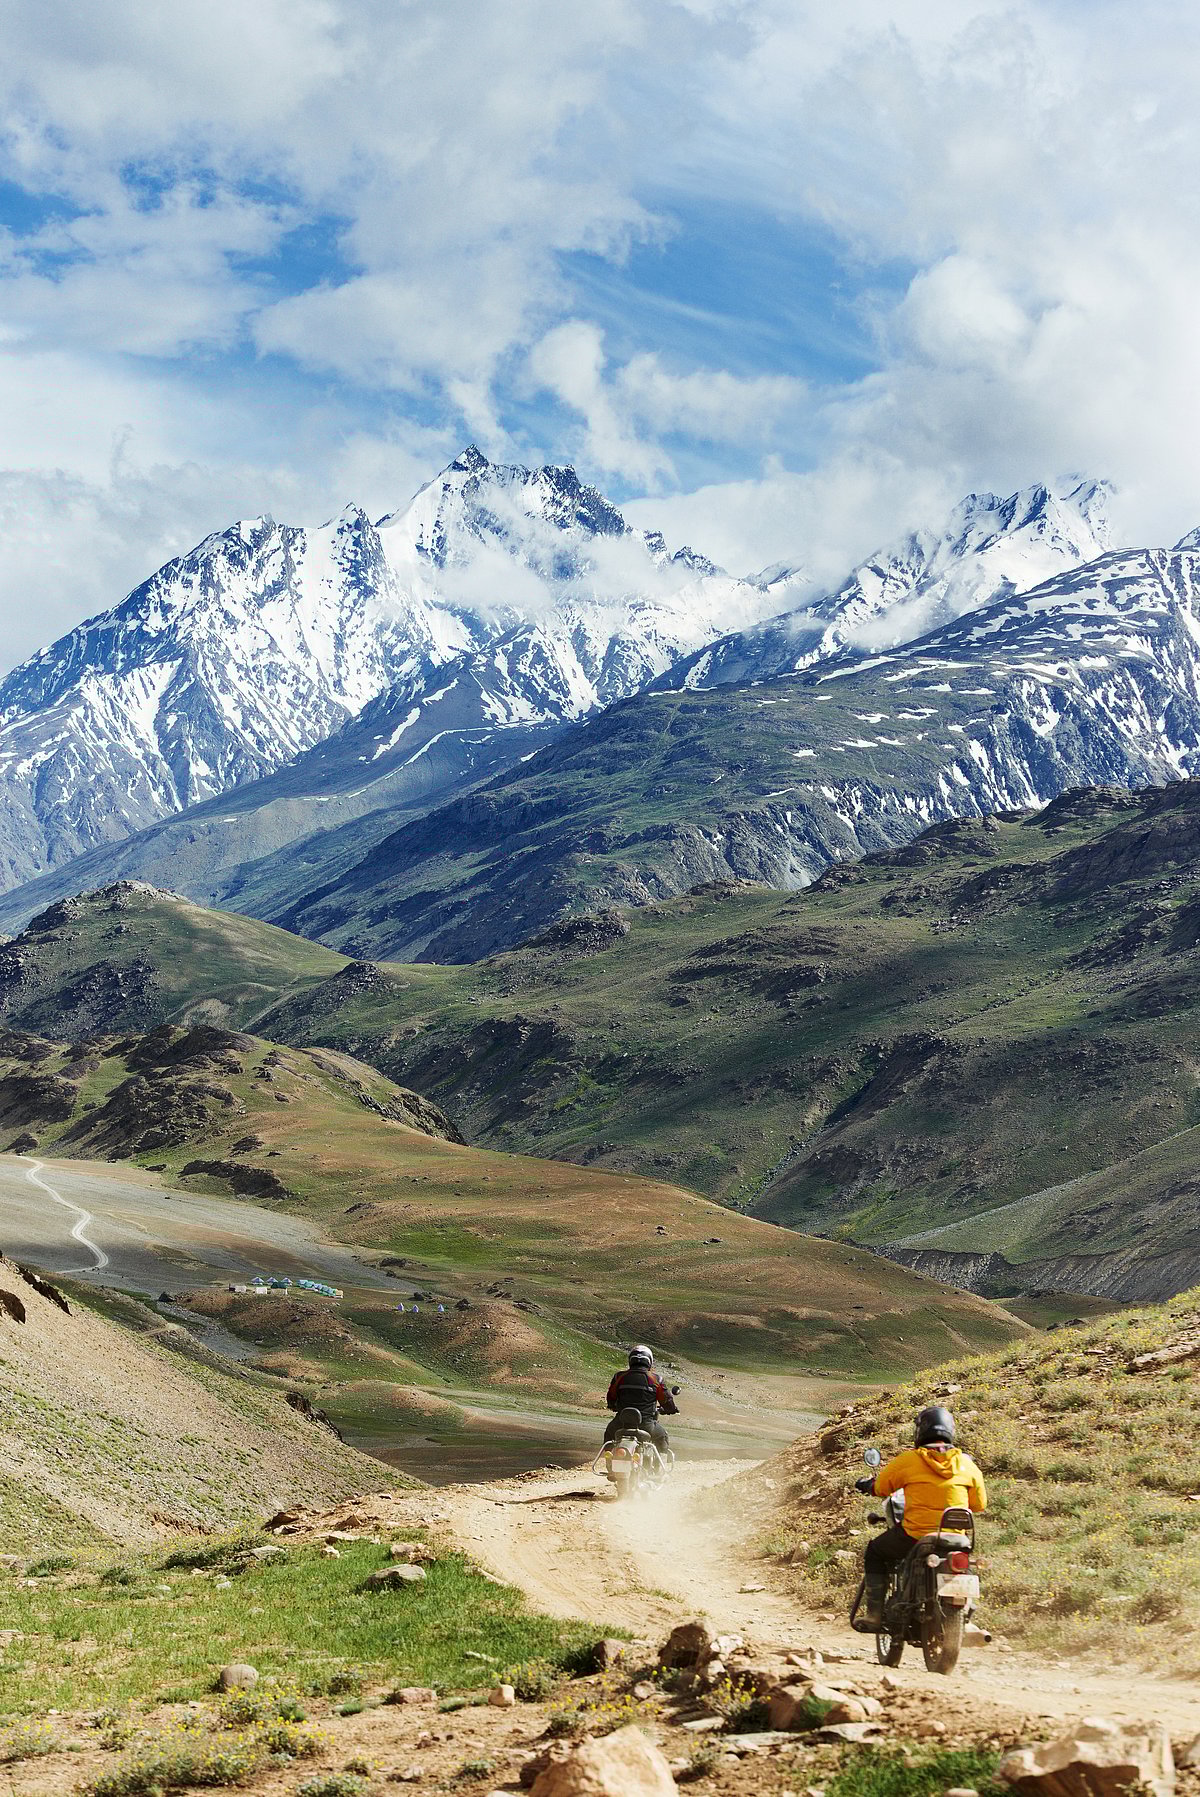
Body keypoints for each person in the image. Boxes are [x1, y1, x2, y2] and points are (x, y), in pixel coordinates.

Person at [853, 1405, 986, 1631]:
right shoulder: (967, 1464)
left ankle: (874, 1614)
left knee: (875, 1551)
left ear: (920, 1432)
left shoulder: (911, 1460)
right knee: (965, 1565)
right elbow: (979, 1504)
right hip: (956, 1539)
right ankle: (967, 1619)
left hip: (915, 1536)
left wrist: (868, 1485)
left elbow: (882, 1487)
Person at [604, 1344, 678, 1456]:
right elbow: (666, 1400)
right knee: (662, 1435)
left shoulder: (619, 1377)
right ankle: (659, 1469)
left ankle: (608, 1459)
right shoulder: (656, 1379)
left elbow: (611, 1398)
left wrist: (613, 1406)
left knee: (609, 1433)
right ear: (649, 1361)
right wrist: (671, 1409)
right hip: (646, 1424)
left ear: (630, 1360)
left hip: (621, 1423)